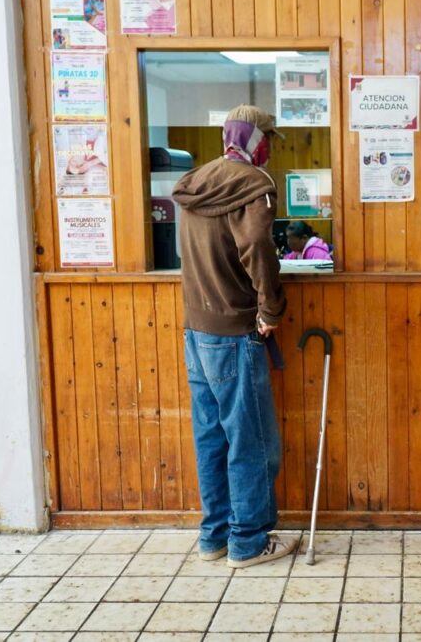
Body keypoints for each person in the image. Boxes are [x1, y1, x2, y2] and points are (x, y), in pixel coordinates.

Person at [172, 105, 297, 569]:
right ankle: (247, 541)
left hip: (196, 329)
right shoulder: (253, 184)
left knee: (211, 438)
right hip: (236, 330)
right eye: (268, 140)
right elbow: (258, 250)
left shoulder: (197, 181)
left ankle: (215, 536)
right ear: (257, 139)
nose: (269, 150)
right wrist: (270, 309)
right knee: (251, 440)